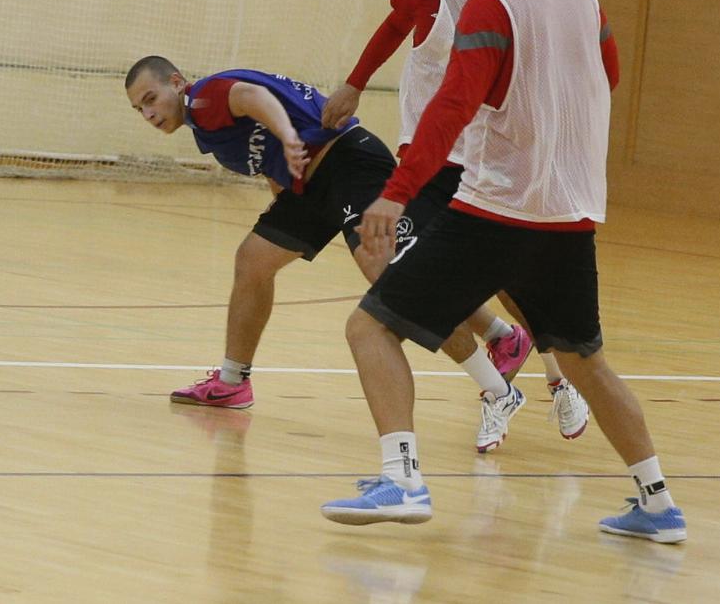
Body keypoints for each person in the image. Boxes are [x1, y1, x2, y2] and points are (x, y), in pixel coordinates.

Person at [321, 0, 684, 544]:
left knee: (371, 327)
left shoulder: (494, 5)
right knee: (585, 361)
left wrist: (395, 196)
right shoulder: (589, 3)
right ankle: (659, 502)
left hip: (496, 213)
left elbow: (452, 108)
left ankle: (402, 479)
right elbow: (606, 76)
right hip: (570, 218)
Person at [321, 0, 591, 447]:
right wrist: (354, 83)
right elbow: (391, 27)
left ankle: (560, 379)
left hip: (491, 170)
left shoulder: (520, 8)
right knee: (408, 272)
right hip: (427, 165)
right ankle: (497, 385)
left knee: (516, 286)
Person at [124, 58, 513, 419]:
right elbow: (270, 161)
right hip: (308, 187)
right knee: (253, 260)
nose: (148, 114)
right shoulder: (203, 126)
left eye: (151, 99)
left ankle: (499, 388)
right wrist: (283, 205)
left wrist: (287, 136)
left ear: (177, 82)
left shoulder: (205, 97)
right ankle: (232, 382)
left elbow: (254, 97)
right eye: (139, 109)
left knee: (395, 282)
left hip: (349, 162)